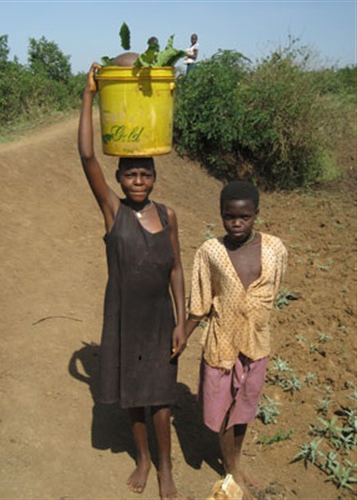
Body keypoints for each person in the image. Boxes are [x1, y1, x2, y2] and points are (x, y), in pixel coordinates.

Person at [78, 62, 187, 500]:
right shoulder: (113, 211)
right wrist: (90, 95)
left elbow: (176, 268)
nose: (137, 180)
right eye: (129, 175)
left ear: (155, 178)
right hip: (123, 317)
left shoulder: (168, 216)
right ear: (120, 179)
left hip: (160, 319)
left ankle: (164, 468)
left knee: (160, 399)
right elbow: (88, 156)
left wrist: (181, 321)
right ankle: (141, 458)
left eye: (145, 174)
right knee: (132, 397)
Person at [185, 181, 288, 499]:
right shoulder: (210, 252)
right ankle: (230, 467)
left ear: (256, 214)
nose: (237, 223)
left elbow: (273, 289)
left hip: (256, 345)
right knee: (222, 408)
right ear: (221, 215)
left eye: (244, 217)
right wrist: (182, 336)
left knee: (243, 409)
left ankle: (235, 461)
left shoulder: (275, 249)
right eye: (229, 217)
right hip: (222, 344)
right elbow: (200, 302)